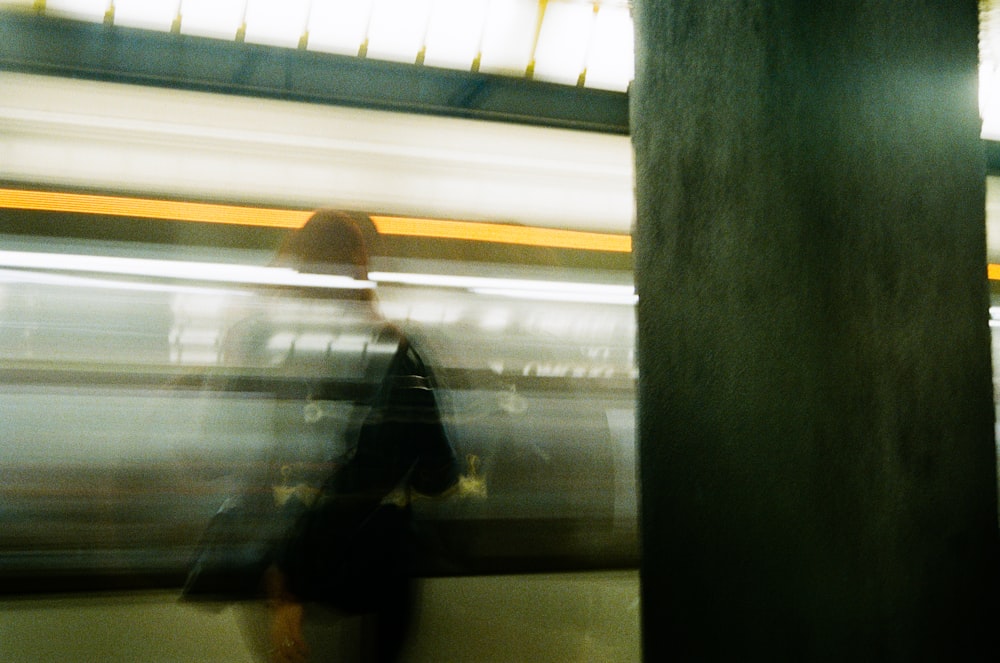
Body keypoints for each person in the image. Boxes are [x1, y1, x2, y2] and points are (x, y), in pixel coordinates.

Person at [258, 210, 460, 663]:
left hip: (304, 580)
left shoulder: (293, 357)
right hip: (378, 582)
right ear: (360, 268)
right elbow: (435, 473)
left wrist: (288, 578)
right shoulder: (396, 352)